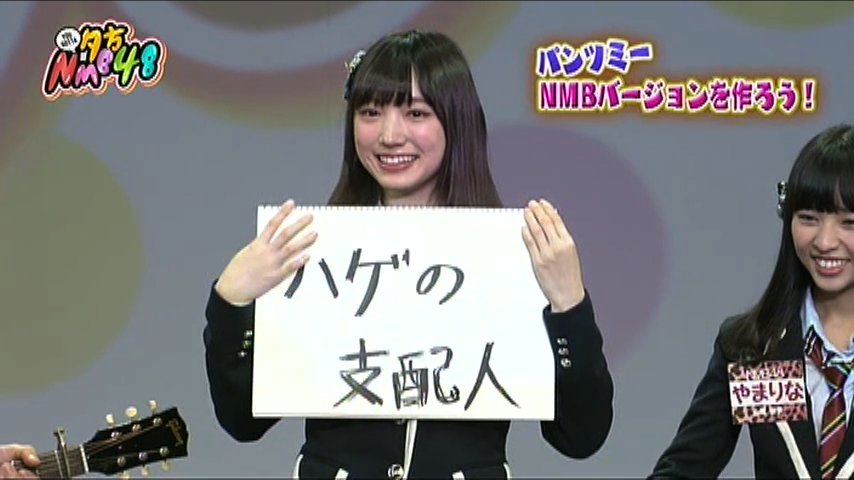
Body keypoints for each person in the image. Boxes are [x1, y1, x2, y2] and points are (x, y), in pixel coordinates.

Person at [203, 29, 614, 479]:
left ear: (456, 121)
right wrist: (232, 299)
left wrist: (569, 305)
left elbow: (581, 435)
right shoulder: (312, 250)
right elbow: (243, 420)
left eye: (416, 113)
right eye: (370, 112)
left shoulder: (512, 254)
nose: (389, 135)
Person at [649, 123, 854, 479]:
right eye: (809, 218)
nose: (825, 241)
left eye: (848, 223)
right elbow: (685, 470)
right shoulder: (755, 349)